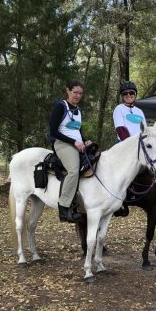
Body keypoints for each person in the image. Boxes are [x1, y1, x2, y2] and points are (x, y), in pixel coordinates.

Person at [49, 80, 92, 223]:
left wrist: (85, 140)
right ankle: (64, 207)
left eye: (80, 93)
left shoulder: (78, 110)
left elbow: (77, 131)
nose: (78, 95)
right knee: (73, 170)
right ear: (68, 91)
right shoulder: (60, 107)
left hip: (77, 144)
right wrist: (74, 142)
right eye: (75, 92)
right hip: (62, 144)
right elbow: (53, 131)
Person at [112, 80, 146, 217]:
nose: (128, 95)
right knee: (119, 173)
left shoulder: (140, 111)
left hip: (140, 146)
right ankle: (119, 201)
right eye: (125, 93)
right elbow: (120, 129)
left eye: (131, 93)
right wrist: (131, 146)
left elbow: (145, 130)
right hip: (124, 145)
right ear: (122, 96)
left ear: (135, 94)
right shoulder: (119, 109)